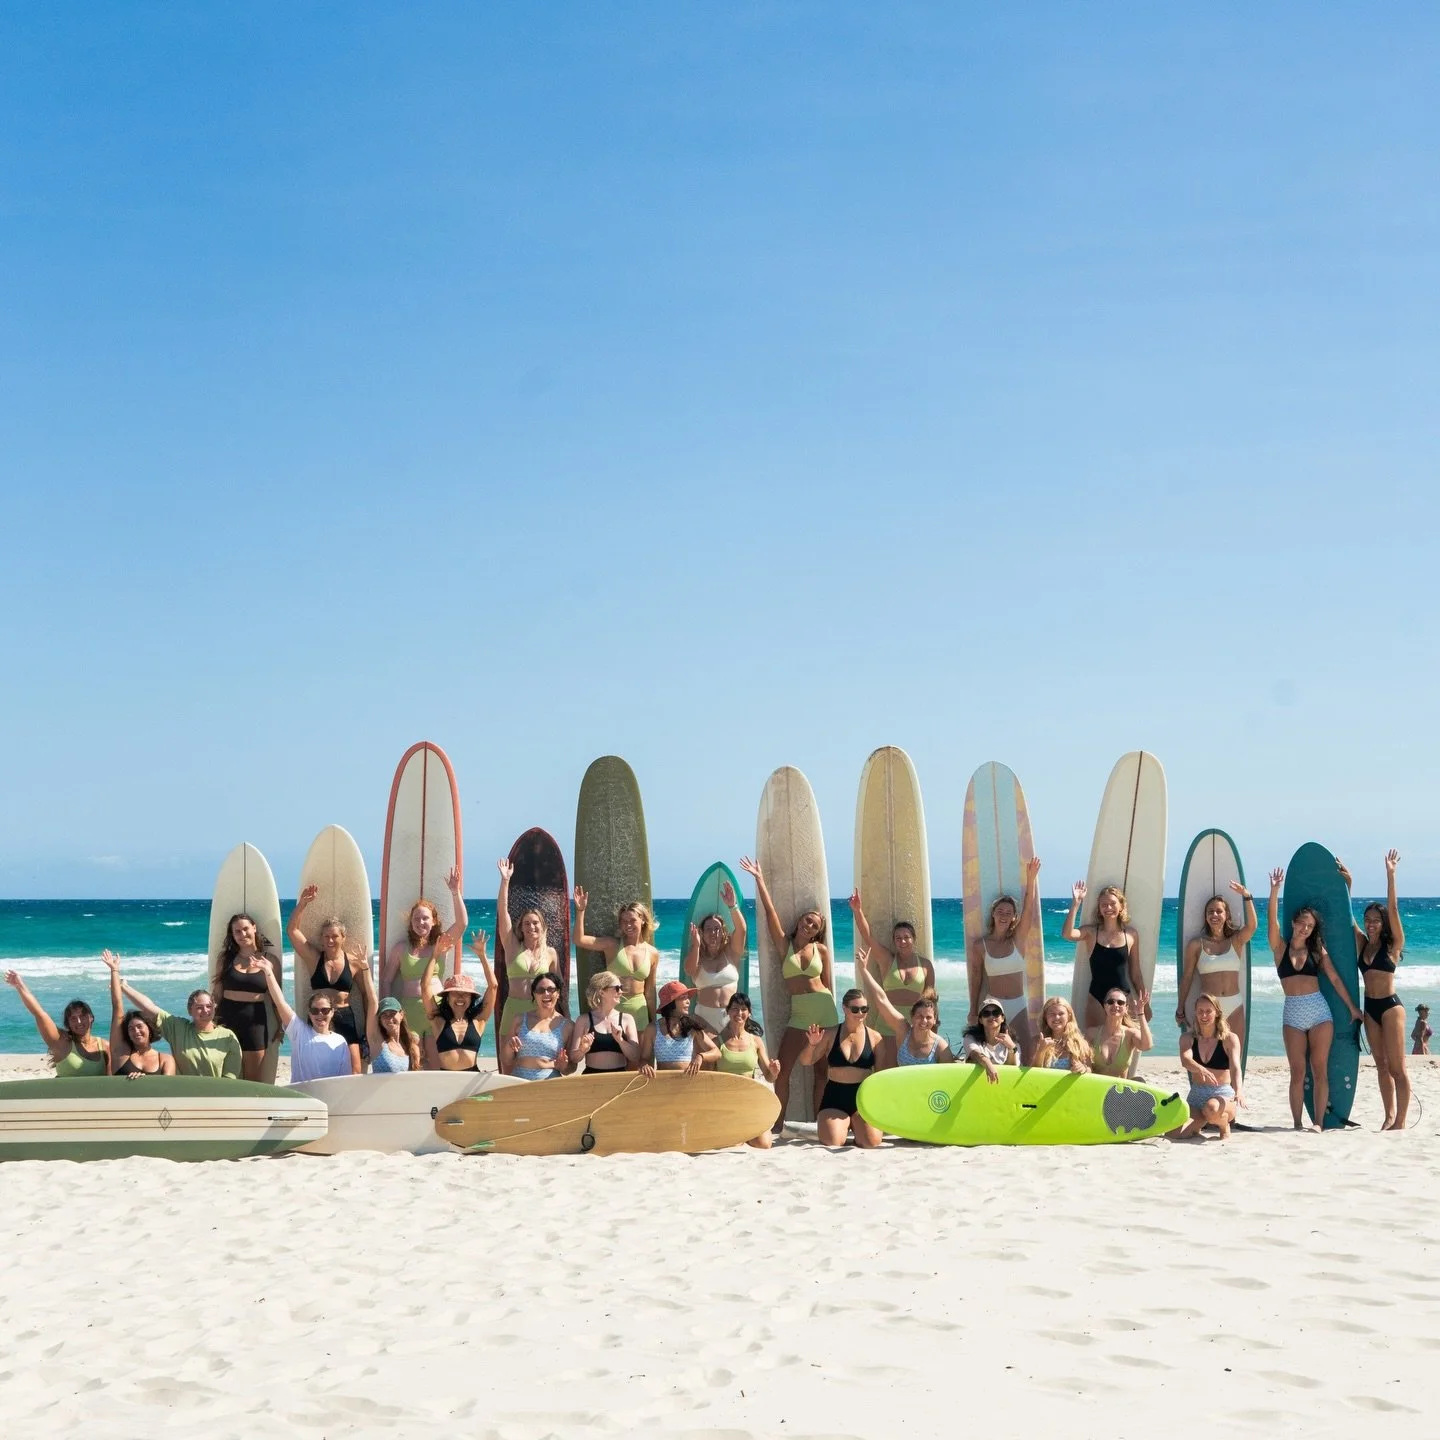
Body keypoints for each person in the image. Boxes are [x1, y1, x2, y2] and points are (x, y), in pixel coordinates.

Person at [741, 855, 838, 1123]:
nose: (809, 926)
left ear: (819, 932)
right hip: (800, 1015)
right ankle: (778, 1124)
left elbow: (828, 984)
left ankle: (821, 1122)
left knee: (822, 1072)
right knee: (782, 1071)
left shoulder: (821, 949)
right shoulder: (786, 945)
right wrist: (759, 879)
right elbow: (771, 914)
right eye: (807, 921)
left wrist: (836, 1020)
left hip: (824, 1010)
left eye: (815, 925)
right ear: (799, 921)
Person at [1267, 866, 1364, 1132]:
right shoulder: (1280, 949)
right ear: (1294, 923)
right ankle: (1297, 1123)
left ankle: (1318, 1123)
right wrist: (1274, 890)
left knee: (1319, 1069)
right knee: (1297, 1072)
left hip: (1319, 1010)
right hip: (1293, 1013)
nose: (1305, 929)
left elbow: (1334, 979)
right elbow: (1271, 923)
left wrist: (1353, 1008)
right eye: (1302, 924)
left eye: (1310, 926)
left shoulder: (1317, 950)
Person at [1337, 850, 1411, 1130]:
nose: (1370, 923)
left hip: (1391, 1008)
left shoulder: (1393, 946)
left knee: (1397, 1068)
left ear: (1383, 923)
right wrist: (1349, 885)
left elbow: (1393, 909)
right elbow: (1347, 918)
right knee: (1380, 1065)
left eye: (1375, 920)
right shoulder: (1362, 943)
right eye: (1368, 919)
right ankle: (1389, 1116)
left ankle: (1401, 1121)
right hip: (1370, 1009)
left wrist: (1390, 875)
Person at [964, 855, 1042, 1060]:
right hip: (992, 1006)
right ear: (993, 914)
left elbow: (1030, 911)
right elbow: (976, 978)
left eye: (1009, 912)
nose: (1004, 915)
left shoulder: (1018, 940)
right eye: (1000, 911)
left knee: (1023, 1053)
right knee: (989, 1054)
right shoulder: (980, 945)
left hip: (1017, 1004)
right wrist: (973, 1009)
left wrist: (1031, 879)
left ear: (1014, 917)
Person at [380, 867, 468, 1048]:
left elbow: (462, 924)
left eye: (425, 918)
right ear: (411, 922)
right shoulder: (401, 948)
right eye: (416, 919)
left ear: (433, 921)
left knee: (436, 1064)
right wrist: (388, 1010)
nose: (421, 922)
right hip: (409, 1010)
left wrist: (454, 892)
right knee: (414, 1064)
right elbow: (387, 980)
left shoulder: (440, 944)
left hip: (437, 1008)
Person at [849, 888, 937, 1064]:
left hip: (916, 1026)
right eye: (898, 938)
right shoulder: (888, 960)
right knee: (886, 1072)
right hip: (887, 1024)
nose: (902, 941)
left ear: (914, 939)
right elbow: (868, 937)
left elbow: (931, 1003)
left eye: (906, 937)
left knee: (909, 1075)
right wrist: (857, 910)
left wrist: (934, 1033)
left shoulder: (925, 965)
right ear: (894, 941)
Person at [1175, 881, 1257, 1054]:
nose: (1214, 914)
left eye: (1219, 911)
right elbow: (1187, 977)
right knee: (1210, 1057)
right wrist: (1180, 1006)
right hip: (1208, 1008)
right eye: (1210, 911)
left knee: (1235, 1058)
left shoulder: (1235, 941)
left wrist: (1246, 895)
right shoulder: (1196, 944)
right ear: (1205, 916)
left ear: (1226, 915)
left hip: (1234, 1005)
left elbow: (1252, 927)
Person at [495, 857, 563, 1065]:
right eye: (526, 924)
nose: (531, 927)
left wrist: (558, 1015)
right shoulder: (512, 945)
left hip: (539, 1011)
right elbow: (502, 910)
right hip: (513, 1007)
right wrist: (505, 881)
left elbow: (558, 987)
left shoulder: (550, 953)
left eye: (535, 923)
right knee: (507, 1063)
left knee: (535, 1060)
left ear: (542, 927)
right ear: (521, 928)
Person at [797, 988, 883, 1148]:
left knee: (872, 1143)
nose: (860, 1013)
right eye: (855, 1009)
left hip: (862, 1098)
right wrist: (812, 1045)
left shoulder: (875, 1037)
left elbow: (881, 1075)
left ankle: (856, 1127)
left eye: (864, 1009)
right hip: (834, 1097)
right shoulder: (830, 1034)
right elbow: (805, 1061)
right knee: (833, 1142)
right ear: (844, 1008)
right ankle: (844, 1128)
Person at [1062, 881, 1149, 1029]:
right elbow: (1067, 934)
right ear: (1099, 909)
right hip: (1096, 997)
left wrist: (1146, 1006)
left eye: (1112, 903)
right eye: (1104, 905)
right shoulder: (1091, 933)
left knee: (1123, 1045)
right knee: (1096, 1046)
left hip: (1123, 998)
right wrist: (1076, 903)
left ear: (1121, 906)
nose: (1108, 908)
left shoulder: (1131, 934)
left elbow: (1135, 974)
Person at [288, 886, 364, 1051]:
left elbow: (366, 996)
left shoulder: (354, 962)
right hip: (319, 1017)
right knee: (320, 1067)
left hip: (345, 1018)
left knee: (353, 1069)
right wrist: (303, 903)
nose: (330, 940)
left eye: (335, 936)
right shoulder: (314, 958)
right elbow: (292, 931)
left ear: (343, 938)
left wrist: (367, 1031)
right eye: (326, 936)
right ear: (321, 939)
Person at [117, 978, 242, 1079]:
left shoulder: (228, 1037)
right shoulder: (179, 1028)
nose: (205, 1011)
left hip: (216, 1097)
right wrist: (124, 987)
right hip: (185, 1097)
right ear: (189, 1010)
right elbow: (149, 1007)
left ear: (214, 1007)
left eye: (209, 1006)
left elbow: (230, 1078)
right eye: (199, 1007)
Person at [573, 887, 660, 1032]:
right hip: (614, 1009)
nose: (628, 925)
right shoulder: (612, 945)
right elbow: (579, 939)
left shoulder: (652, 953)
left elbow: (650, 991)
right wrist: (581, 911)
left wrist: (654, 1022)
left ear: (643, 920)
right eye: (624, 921)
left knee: (642, 1055)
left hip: (640, 1010)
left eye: (633, 920)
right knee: (616, 1053)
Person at [259, 962, 360, 1082]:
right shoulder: (299, 1032)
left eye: (325, 1010)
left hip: (329, 1097)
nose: (320, 1014)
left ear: (332, 1012)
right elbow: (280, 1003)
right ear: (309, 1013)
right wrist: (268, 971)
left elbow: (345, 1079)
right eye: (315, 1010)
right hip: (304, 1097)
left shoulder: (340, 1041)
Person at [211, 912, 283, 1081]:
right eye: (237, 931)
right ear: (232, 935)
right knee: (226, 1076)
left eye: (246, 929)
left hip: (255, 1022)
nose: (243, 934)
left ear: (254, 928)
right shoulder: (225, 959)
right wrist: (208, 1020)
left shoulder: (270, 961)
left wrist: (281, 1025)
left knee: (253, 1078)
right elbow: (216, 993)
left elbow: (276, 998)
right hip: (226, 1019)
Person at [708, 992, 781, 1150]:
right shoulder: (717, 1041)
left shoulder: (756, 1041)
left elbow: (769, 1077)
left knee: (764, 1144)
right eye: (734, 1009)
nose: (739, 1013)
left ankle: (745, 1132)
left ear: (749, 1013)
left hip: (750, 1099)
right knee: (733, 1143)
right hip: (726, 1102)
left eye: (743, 1009)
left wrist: (774, 1071)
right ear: (728, 1011)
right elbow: (708, 1078)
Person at [855, 951, 952, 1065]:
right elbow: (882, 1000)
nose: (924, 1021)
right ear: (912, 1016)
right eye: (919, 1016)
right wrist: (864, 970)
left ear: (934, 1019)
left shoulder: (940, 1047)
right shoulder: (904, 1031)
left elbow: (948, 1078)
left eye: (928, 1017)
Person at [4, 970, 109, 1075]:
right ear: (68, 1023)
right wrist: (20, 986)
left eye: (82, 1016)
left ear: (91, 1017)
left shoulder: (104, 1046)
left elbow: (112, 1078)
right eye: (73, 1018)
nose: (79, 1021)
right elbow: (39, 1013)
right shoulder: (61, 1042)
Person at [427, 933, 498, 1073]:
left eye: (465, 994)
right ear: (447, 997)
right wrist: (435, 955)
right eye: (455, 993)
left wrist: (482, 956)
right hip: (446, 1081)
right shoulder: (438, 1021)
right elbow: (425, 986)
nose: (460, 998)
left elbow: (493, 986)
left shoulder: (479, 1021)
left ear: (471, 998)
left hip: (471, 1079)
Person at [1177, 993, 1244, 1140]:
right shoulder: (1187, 1038)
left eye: (1208, 1011)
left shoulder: (1229, 1039)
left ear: (1217, 1013)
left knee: (1212, 1109)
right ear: (1195, 1013)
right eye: (1200, 1011)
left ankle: (1223, 1124)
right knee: (1175, 1134)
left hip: (1221, 1093)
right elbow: (1185, 1060)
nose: (1204, 1015)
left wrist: (1239, 1090)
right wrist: (1200, 1068)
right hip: (1197, 1094)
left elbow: (1235, 1067)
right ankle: (1199, 1124)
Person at [683, 879, 748, 1032]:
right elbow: (690, 971)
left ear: (723, 932)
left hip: (732, 1019)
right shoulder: (697, 955)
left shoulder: (731, 953)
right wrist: (696, 945)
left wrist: (733, 906)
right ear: (702, 933)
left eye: (717, 929)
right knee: (706, 1056)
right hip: (703, 1020)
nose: (713, 933)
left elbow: (742, 930)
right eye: (709, 929)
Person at [99, 950, 175, 1077]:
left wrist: (144, 1081)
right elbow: (117, 1007)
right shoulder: (121, 1054)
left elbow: (167, 1090)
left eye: (139, 1026)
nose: (136, 1031)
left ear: (149, 1029)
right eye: (131, 1029)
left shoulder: (166, 1060)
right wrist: (114, 970)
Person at [640, 981, 719, 1076]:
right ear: (671, 1003)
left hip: (688, 1085)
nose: (688, 1001)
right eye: (683, 998)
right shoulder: (653, 1029)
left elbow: (717, 1052)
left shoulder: (691, 1027)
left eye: (688, 997)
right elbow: (644, 1058)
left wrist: (700, 1056)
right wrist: (644, 1065)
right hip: (664, 1085)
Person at [504, 972, 573, 1081]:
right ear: (534, 995)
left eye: (551, 989)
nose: (546, 993)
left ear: (558, 993)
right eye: (540, 990)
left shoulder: (568, 1026)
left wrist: (563, 1066)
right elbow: (506, 1060)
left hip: (549, 1085)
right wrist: (509, 1046)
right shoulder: (519, 1019)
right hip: (519, 1082)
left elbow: (570, 1069)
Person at [570, 970, 642, 1074]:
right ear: (602, 992)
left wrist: (621, 1040)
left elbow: (635, 1056)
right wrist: (582, 1050)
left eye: (621, 988)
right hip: (591, 1077)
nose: (621, 992)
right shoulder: (584, 1020)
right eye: (617, 988)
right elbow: (574, 1058)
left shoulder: (627, 1019)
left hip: (618, 1078)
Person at [1088, 988, 1154, 1078]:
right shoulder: (1092, 1033)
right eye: (1111, 1002)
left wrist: (1141, 1013)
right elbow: (1083, 1062)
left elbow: (1147, 1046)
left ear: (1126, 1008)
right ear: (1105, 1006)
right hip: (1097, 1087)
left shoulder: (1130, 1034)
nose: (1115, 1005)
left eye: (1120, 1003)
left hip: (1119, 1090)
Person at [961, 998, 1021, 1084]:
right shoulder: (970, 1038)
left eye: (996, 1013)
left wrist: (1011, 1048)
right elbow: (975, 1054)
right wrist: (988, 1064)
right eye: (986, 1014)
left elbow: (1012, 1071)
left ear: (1002, 1018)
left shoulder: (1013, 1042)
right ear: (981, 1020)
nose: (991, 1016)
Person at [1030, 996, 1092, 1072]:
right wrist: (1041, 1051)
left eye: (1061, 1013)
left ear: (1069, 1016)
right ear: (1045, 1017)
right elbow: (1031, 1073)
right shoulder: (1037, 1042)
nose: (1056, 1017)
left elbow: (1090, 1070)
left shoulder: (1079, 1043)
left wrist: (1083, 1069)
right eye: (1052, 1014)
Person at [368, 996, 422, 1073]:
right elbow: (372, 1002)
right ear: (380, 1020)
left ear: (401, 1015)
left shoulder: (412, 1048)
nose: (389, 1019)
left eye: (392, 1014)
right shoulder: (377, 1043)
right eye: (384, 1015)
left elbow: (414, 1078)